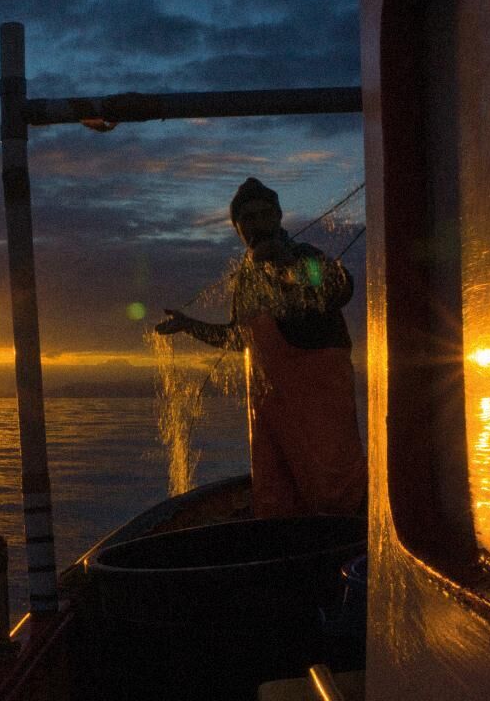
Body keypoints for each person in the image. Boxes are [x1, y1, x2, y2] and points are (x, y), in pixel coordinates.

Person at [155, 177, 365, 518]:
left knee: (334, 492)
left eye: (263, 215)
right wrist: (189, 325)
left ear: (279, 216)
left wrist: (284, 265)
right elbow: (239, 339)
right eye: (247, 220)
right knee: (276, 496)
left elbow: (338, 289)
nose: (256, 225)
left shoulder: (306, 258)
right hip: (270, 408)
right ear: (237, 229)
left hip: (321, 405)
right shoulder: (247, 279)